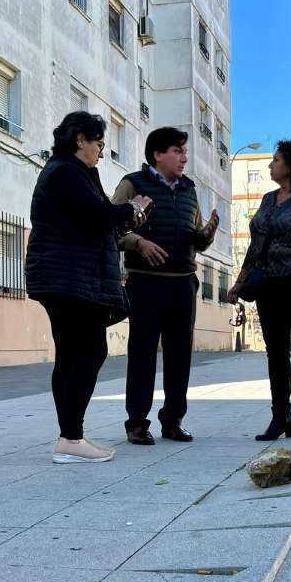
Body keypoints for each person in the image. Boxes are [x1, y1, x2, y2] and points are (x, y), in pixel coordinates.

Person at [26, 111, 152, 464]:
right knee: (85, 352)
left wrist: (130, 216)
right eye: (99, 143)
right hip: (66, 278)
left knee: (76, 354)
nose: (101, 150)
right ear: (79, 139)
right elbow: (99, 216)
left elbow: (98, 221)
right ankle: (70, 438)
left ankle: (71, 437)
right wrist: (131, 207)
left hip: (69, 277)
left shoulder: (75, 173)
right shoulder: (65, 172)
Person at [112, 127, 218, 444]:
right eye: (178, 151)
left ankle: (173, 421)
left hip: (183, 284)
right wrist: (138, 242)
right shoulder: (133, 183)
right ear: (158, 154)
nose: (184, 158)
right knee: (142, 354)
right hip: (145, 283)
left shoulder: (189, 190)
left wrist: (206, 235)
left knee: (180, 357)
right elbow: (112, 227)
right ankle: (136, 423)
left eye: (185, 152)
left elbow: (195, 238)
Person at [228, 140, 291, 441]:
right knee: (276, 354)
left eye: (276, 160)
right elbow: (256, 246)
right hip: (269, 285)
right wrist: (239, 282)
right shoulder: (268, 199)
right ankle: (281, 416)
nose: (271, 165)